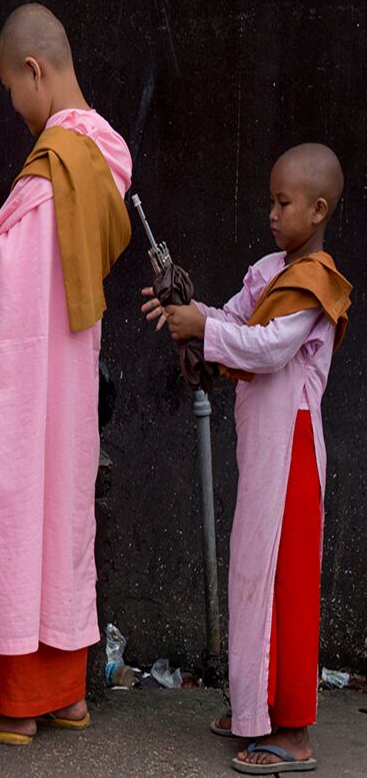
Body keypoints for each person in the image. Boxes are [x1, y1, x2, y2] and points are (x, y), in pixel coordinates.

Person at [0, 2, 132, 744]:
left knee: (20, 519)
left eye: (11, 89)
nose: (14, 107)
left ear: (34, 71)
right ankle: (68, 694)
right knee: (63, 520)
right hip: (71, 379)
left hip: (32, 381)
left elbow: (8, 290)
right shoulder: (105, 157)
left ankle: (10, 702)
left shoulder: (53, 170)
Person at [146, 143, 350, 774]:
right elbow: (228, 319)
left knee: (283, 584)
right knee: (250, 575)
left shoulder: (313, 285)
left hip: (290, 456)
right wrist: (184, 312)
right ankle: (254, 708)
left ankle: (293, 733)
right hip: (262, 454)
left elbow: (262, 349)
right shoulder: (269, 270)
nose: (271, 212)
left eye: (282, 202)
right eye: (270, 199)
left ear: (317, 210)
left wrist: (200, 330)